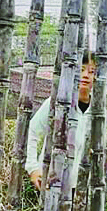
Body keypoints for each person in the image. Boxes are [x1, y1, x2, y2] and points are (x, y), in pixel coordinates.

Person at [25, 50, 96, 190]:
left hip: (81, 188)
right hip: (51, 183)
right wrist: (33, 168)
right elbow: (31, 131)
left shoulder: (98, 112)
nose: (85, 75)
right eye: (81, 70)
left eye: (91, 71)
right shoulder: (57, 103)